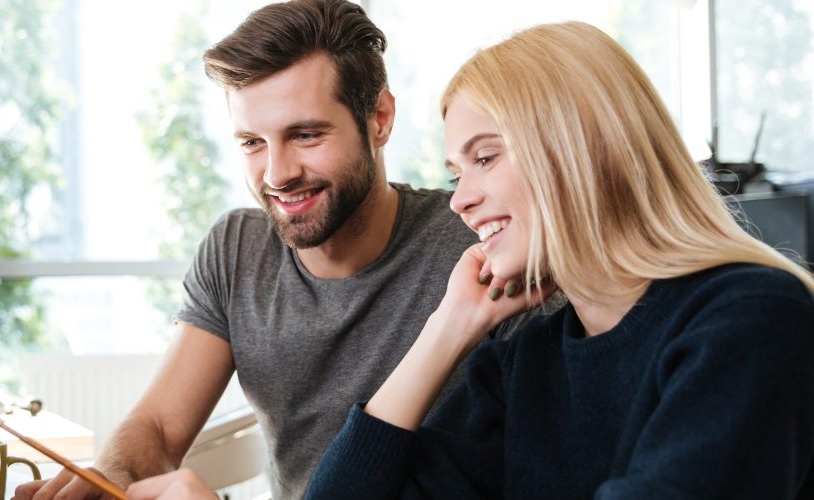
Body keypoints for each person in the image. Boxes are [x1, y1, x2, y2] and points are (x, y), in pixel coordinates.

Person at [126, 20, 814, 500]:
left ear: (581, 147)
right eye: (458, 172)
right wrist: (446, 329)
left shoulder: (747, 320)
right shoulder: (525, 359)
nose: (463, 199)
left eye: (485, 157)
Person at [13, 1, 526, 499]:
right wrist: (110, 476)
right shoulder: (238, 249)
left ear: (380, 119)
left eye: (304, 135)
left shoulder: (480, 240)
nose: (277, 175)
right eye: (251, 143)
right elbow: (160, 428)